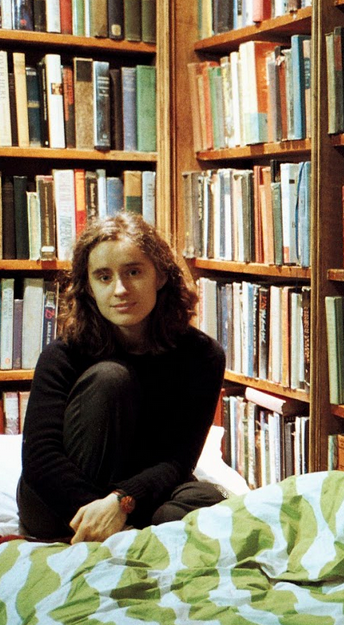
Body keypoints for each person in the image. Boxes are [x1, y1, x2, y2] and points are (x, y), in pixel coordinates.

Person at [18, 212, 227, 543]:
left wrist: (121, 503)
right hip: (57, 505)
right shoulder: (64, 354)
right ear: (88, 287)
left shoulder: (202, 356)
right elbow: (40, 459)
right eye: (103, 277)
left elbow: (178, 460)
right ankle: (123, 533)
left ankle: (135, 528)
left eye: (133, 272)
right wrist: (101, 512)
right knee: (110, 378)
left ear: (159, 275)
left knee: (208, 499)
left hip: (129, 500)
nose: (120, 289)